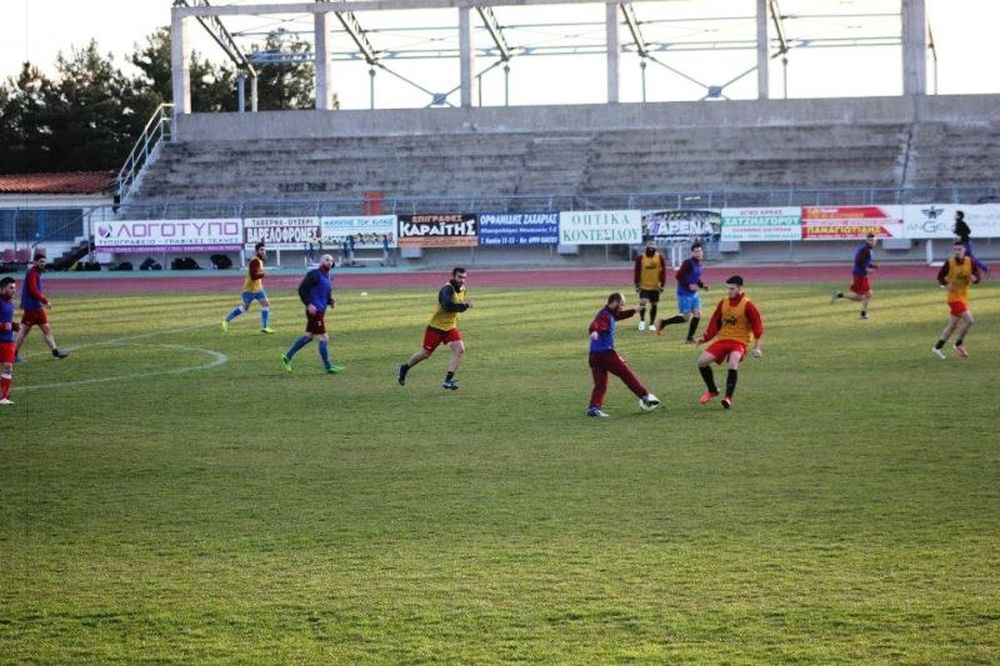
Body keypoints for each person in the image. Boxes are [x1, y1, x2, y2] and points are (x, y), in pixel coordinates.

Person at [397, 267, 473, 390]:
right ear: (453, 276)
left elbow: (457, 307)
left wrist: (463, 306)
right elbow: (448, 306)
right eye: (459, 277)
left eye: (464, 277)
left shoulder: (463, 290)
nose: (462, 280)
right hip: (436, 328)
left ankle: (447, 381)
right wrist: (464, 306)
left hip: (450, 327)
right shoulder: (446, 289)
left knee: (459, 349)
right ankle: (404, 367)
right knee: (425, 354)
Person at [694, 275, 763, 410]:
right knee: (701, 362)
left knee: (733, 363)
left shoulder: (748, 305)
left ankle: (728, 398)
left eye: (732, 288)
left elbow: (757, 326)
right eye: (728, 288)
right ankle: (713, 390)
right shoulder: (723, 303)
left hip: (739, 341)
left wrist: (757, 347)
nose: (729, 291)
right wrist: (705, 338)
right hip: (723, 339)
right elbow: (715, 322)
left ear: (739, 288)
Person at [586, 292, 660, 417]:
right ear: (614, 303)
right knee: (626, 374)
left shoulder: (609, 313)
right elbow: (596, 324)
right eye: (621, 305)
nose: (622, 307)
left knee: (600, 384)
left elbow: (618, 316)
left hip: (594, 355)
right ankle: (645, 397)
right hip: (606, 354)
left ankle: (593, 408)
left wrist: (634, 311)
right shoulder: (604, 316)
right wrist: (593, 331)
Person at [280, 254, 344, 373]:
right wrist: (309, 304)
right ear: (321, 262)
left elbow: (326, 294)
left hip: (320, 311)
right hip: (314, 312)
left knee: (309, 336)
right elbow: (302, 290)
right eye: (326, 260)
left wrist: (331, 301)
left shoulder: (330, 277)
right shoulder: (314, 274)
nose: (329, 262)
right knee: (324, 338)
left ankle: (287, 357)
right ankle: (328, 366)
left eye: (331, 260)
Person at [14, 248, 69, 361]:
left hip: (34, 306)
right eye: (41, 262)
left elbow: (27, 289)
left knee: (45, 329)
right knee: (24, 330)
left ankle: (55, 352)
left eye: (44, 262)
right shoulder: (33, 273)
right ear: (35, 262)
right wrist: (45, 301)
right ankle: (13, 354)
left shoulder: (34, 272)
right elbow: (33, 290)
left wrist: (23, 301)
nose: (43, 264)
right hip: (33, 307)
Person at [931, 240, 981, 359]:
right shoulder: (950, 262)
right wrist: (946, 285)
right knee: (970, 320)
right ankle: (958, 344)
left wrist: (975, 279)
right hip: (954, 298)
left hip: (963, 297)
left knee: (952, 325)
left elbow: (977, 277)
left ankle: (937, 347)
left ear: (964, 250)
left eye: (959, 249)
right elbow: (940, 276)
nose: (957, 252)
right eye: (955, 249)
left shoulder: (970, 262)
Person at [655, 241, 708, 342]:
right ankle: (663, 322)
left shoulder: (699, 264)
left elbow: (695, 278)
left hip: (694, 294)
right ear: (692, 253)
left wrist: (702, 285)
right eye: (696, 251)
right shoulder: (688, 263)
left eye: (700, 251)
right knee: (685, 318)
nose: (698, 253)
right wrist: (689, 285)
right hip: (684, 293)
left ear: (702, 252)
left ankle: (690, 338)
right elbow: (678, 276)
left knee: (697, 314)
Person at [222, 242, 274, 333]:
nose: (263, 251)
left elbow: (257, 275)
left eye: (264, 250)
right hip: (249, 290)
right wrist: (263, 274)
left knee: (266, 305)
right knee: (244, 308)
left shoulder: (260, 260)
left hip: (258, 289)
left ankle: (264, 327)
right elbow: (253, 276)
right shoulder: (255, 261)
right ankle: (226, 320)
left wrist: (261, 277)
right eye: (261, 250)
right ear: (256, 251)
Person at [831, 233, 878, 319]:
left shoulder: (868, 250)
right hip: (859, 275)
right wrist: (867, 268)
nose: (872, 242)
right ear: (867, 240)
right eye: (870, 240)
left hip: (862, 275)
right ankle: (839, 295)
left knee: (868, 294)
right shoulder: (865, 250)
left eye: (874, 240)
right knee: (860, 296)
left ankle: (863, 313)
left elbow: (865, 262)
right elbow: (858, 261)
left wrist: (872, 266)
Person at [633, 237, 667, 331]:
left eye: (653, 244)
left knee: (654, 304)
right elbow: (637, 271)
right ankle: (642, 321)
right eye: (649, 244)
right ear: (646, 245)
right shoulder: (641, 257)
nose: (651, 246)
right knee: (643, 302)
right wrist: (636, 284)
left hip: (655, 286)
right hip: (644, 285)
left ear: (655, 246)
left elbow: (663, 271)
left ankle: (651, 323)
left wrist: (662, 284)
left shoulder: (660, 257)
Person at [953, 210, 990, 277]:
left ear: (959, 216)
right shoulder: (960, 223)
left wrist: (961, 235)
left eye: (956, 214)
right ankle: (984, 268)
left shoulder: (960, 223)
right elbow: (965, 232)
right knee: (969, 259)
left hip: (966, 244)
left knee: (963, 258)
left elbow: (967, 232)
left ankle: (965, 273)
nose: (954, 216)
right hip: (965, 243)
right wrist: (960, 234)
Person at [0, 277, 18, 405]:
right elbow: (4, 324)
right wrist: (2, 326)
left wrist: (14, 325)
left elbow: (8, 321)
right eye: (11, 288)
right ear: (2, 288)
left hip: (8, 341)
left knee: (8, 368)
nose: (13, 290)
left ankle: (4, 398)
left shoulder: (11, 302)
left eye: (14, 288)